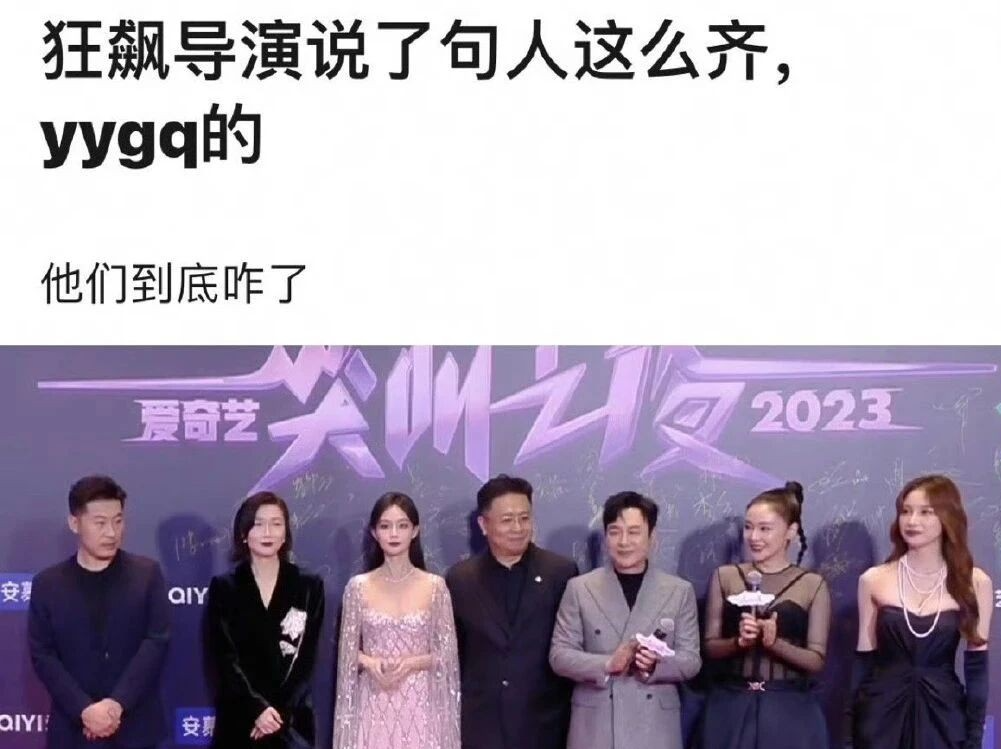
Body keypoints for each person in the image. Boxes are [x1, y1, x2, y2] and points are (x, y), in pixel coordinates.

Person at [550, 491, 701, 749]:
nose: (623, 541)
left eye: (633, 532)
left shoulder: (679, 591)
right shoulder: (580, 588)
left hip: (655, 726)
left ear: (652, 537)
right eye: (615, 532)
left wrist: (655, 666)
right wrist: (607, 664)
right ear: (605, 537)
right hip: (595, 725)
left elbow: (691, 661)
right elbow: (559, 656)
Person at [28, 475, 170, 749]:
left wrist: (116, 704)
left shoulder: (147, 575)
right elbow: (43, 654)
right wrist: (84, 710)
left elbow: (157, 641)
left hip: (136, 729)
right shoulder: (48, 584)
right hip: (72, 731)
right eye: (100, 522)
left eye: (118, 521)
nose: (112, 533)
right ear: (75, 523)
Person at [851, 475, 992, 749]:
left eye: (925, 512)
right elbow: (862, 664)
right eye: (906, 511)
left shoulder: (975, 583)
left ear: (947, 517)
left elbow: (977, 671)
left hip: (944, 716)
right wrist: (848, 736)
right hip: (881, 717)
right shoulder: (873, 579)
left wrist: (974, 738)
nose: (912, 521)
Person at [445, 474, 579, 749]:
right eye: (507, 520)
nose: (518, 528)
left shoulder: (560, 572)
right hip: (481, 726)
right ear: (483, 525)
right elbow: (454, 656)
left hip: (544, 725)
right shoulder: (460, 580)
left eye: (524, 518)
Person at [699, 481, 830, 749]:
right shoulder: (725, 576)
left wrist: (775, 644)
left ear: (790, 531)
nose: (754, 537)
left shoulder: (812, 584)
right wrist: (738, 642)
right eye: (748, 527)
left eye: (765, 528)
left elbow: (816, 660)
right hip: (730, 707)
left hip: (790, 712)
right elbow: (710, 647)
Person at [333, 492, 460, 749]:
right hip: (373, 700)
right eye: (385, 526)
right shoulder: (358, 588)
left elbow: (447, 654)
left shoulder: (435, 587)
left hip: (422, 706)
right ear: (374, 532)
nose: (393, 534)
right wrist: (370, 663)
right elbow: (347, 652)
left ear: (415, 531)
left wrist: (411, 664)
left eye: (402, 526)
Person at [206, 492, 325, 748]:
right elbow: (224, 658)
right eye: (258, 524)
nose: (267, 533)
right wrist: (257, 709)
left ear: (285, 533)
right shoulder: (225, 587)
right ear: (243, 533)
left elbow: (306, 660)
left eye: (276, 524)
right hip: (241, 721)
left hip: (291, 724)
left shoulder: (308, 586)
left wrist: (278, 714)